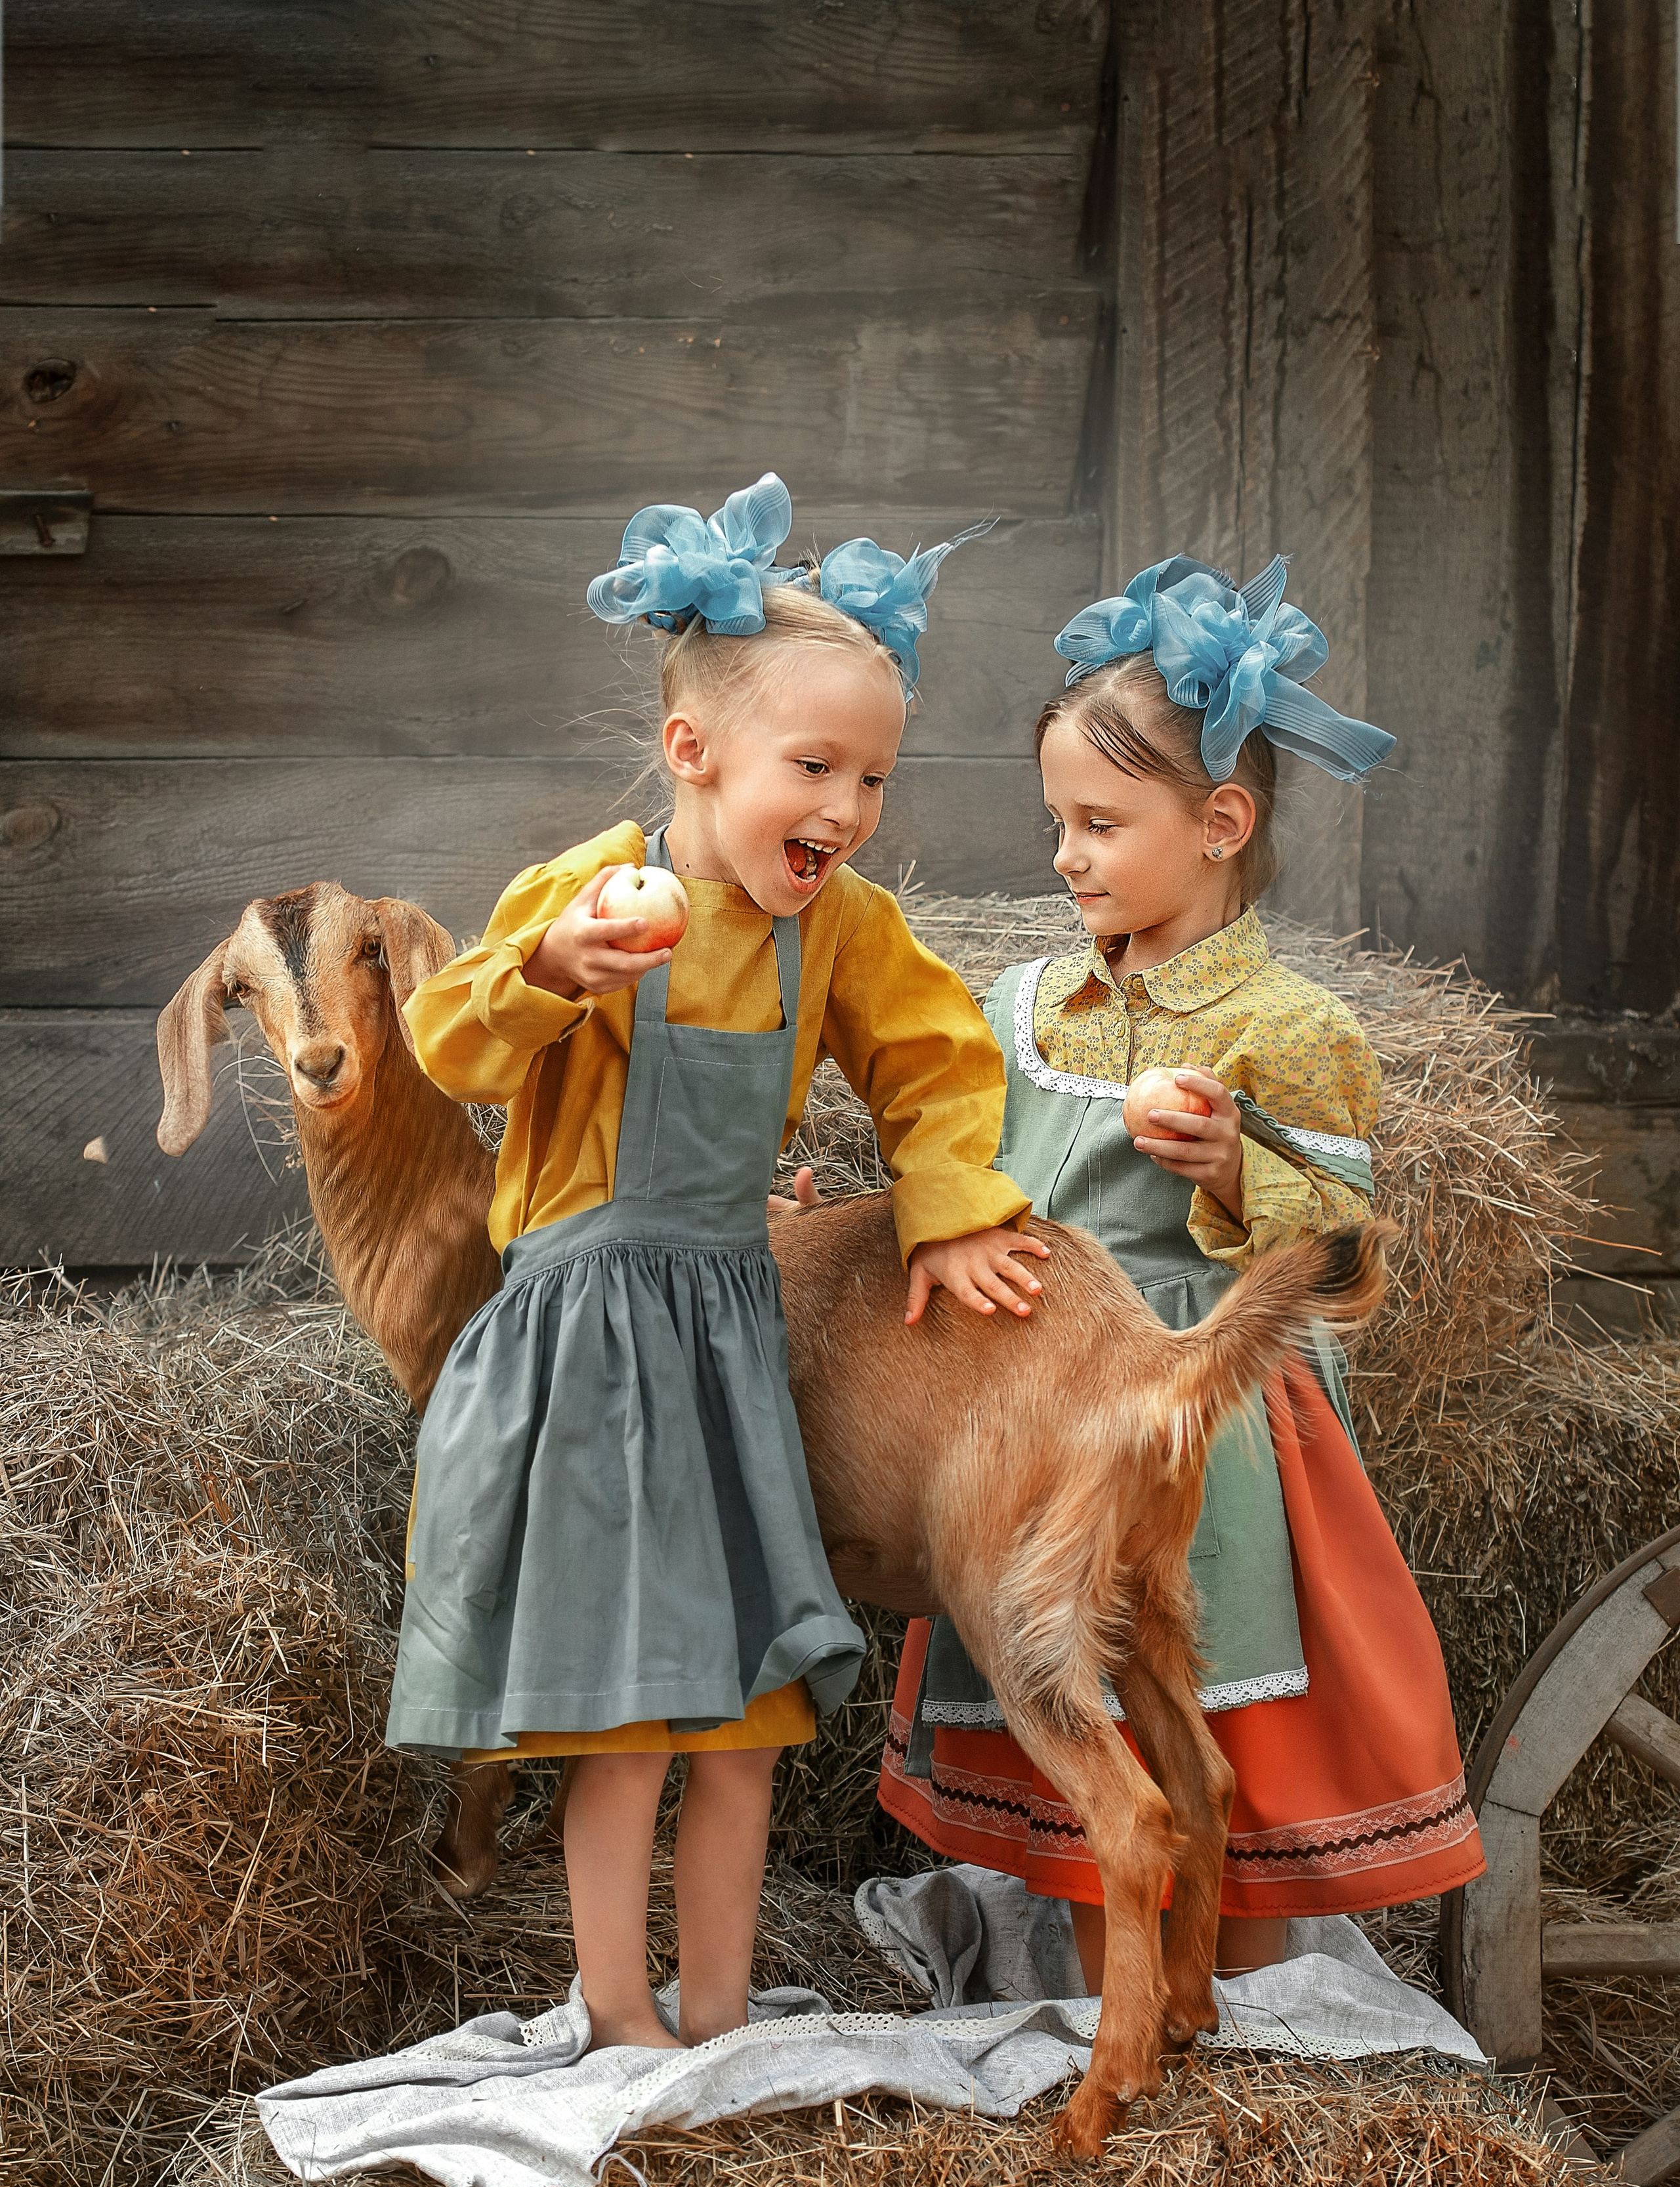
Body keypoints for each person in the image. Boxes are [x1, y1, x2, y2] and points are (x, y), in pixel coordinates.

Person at [387, 473, 1045, 2052]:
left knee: (742, 1724)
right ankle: (620, 2017)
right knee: (629, 1727)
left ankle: (723, 2015)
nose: (847, 807)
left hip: (729, 1345)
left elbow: (939, 1060)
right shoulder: (587, 894)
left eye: (872, 777)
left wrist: (952, 1202)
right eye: (813, 767)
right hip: (590, 1356)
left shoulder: (844, 928)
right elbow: (450, 1045)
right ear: (692, 751)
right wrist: (553, 968)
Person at [877, 553, 1486, 1993]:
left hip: (1208, 1424)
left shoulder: (1293, 1028)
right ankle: (1120, 1999)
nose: (1067, 857)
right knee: (1077, 1712)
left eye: (1101, 824)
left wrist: (1227, 1170)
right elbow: (968, 1175)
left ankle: (1249, 2009)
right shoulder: (1017, 1005)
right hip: (1044, 1416)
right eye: (1057, 823)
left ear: (1219, 825)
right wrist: (899, 1217)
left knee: (1219, 1721)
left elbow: (1345, 1260)